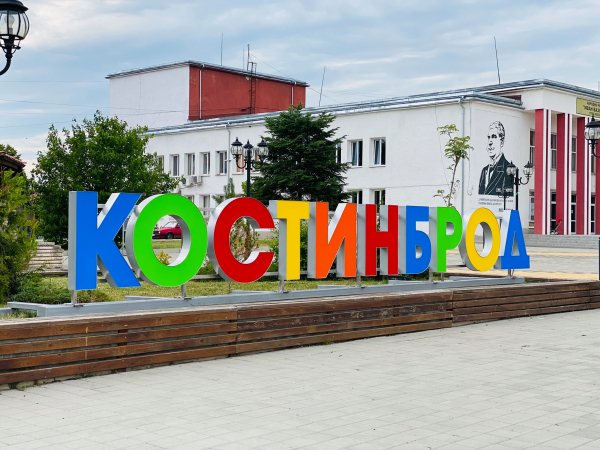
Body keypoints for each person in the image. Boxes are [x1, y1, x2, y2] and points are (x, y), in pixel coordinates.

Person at [478, 121, 513, 196]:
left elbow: (510, 196)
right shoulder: (484, 170)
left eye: (494, 137)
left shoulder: (508, 168)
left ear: (502, 141)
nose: (490, 142)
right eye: (489, 137)